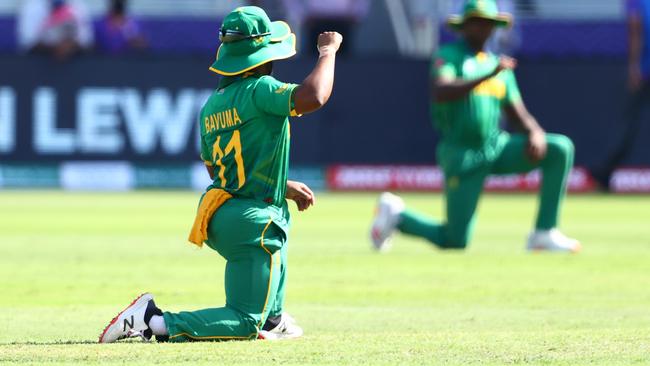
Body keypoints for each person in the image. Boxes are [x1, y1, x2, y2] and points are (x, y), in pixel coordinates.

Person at [98, 7, 343, 343]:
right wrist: (328, 53)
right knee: (245, 321)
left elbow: (218, 169)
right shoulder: (260, 88)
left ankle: (273, 319)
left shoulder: (212, 105)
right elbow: (314, 95)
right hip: (250, 221)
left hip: (219, 213)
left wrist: (280, 185)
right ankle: (154, 319)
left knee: (278, 215)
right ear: (261, 55)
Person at [370, 0, 580, 253]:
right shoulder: (449, 56)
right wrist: (488, 75)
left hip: (495, 146)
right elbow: (441, 90)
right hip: (462, 154)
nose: (483, 28)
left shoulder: (496, 65)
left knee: (558, 148)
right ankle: (398, 216)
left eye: (488, 23)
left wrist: (534, 131)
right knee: (456, 240)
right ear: (464, 26)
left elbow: (517, 113)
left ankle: (544, 233)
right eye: (476, 23)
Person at [591, 0, 650, 190]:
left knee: (627, 125)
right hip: (645, 71)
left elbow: (635, 29)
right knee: (627, 125)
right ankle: (604, 172)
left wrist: (633, 67)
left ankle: (604, 172)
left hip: (643, 70)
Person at [17, 0, 93, 60]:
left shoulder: (77, 4)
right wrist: (55, 47)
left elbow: (86, 40)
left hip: (75, 62)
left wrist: (68, 46)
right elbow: (27, 41)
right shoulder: (33, 5)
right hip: (39, 63)